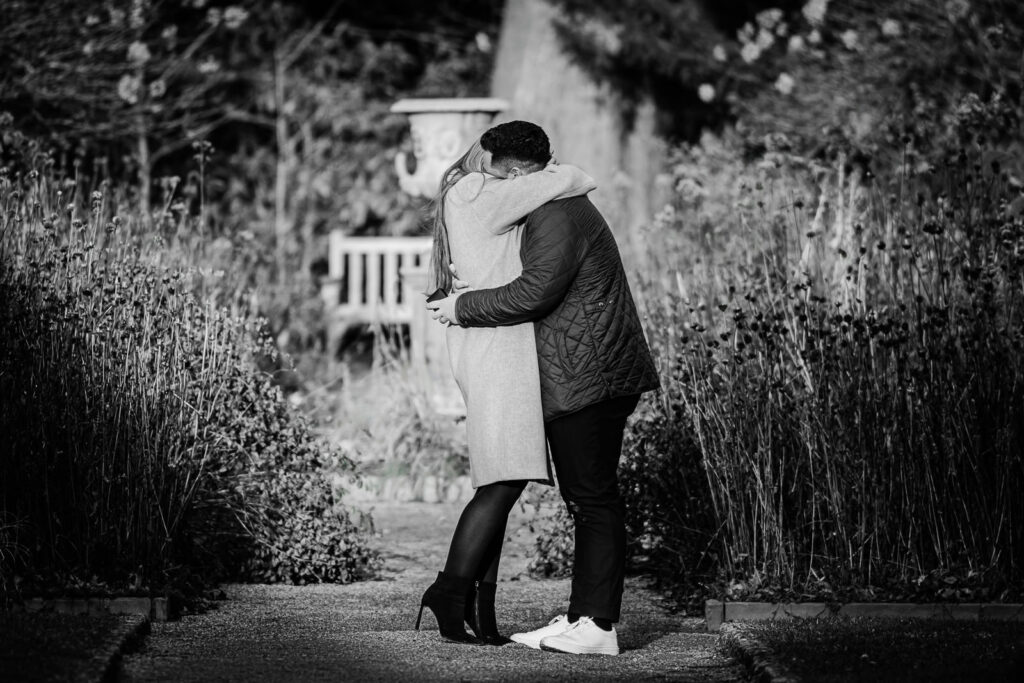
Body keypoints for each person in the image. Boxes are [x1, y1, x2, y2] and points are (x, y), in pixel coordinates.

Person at [426, 120, 660, 656]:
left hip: (584, 372)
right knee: (530, 485)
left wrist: (461, 305)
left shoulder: (552, 210)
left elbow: (533, 291)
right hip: (545, 361)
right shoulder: (517, 194)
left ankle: (592, 625)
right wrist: (565, 172)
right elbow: (560, 186)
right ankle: (567, 616)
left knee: (581, 495)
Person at [415, 129, 597, 645]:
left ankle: (479, 608)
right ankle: (450, 592)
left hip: (501, 343)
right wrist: (551, 169)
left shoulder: (479, 190)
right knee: (501, 480)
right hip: (495, 346)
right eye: (532, 171)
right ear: (517, 172)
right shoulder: (479, 191)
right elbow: (581, 179)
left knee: (504, 477)